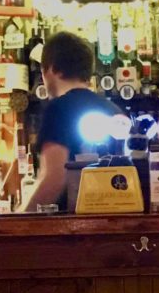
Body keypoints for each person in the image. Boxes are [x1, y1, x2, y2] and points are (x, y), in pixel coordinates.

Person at [21, 31, 118, 213]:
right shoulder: (113, 109)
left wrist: (19, 223)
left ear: (51, 70)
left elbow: (55, 178)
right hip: (114, 223)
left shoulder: (59, 109)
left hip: (74, 227)